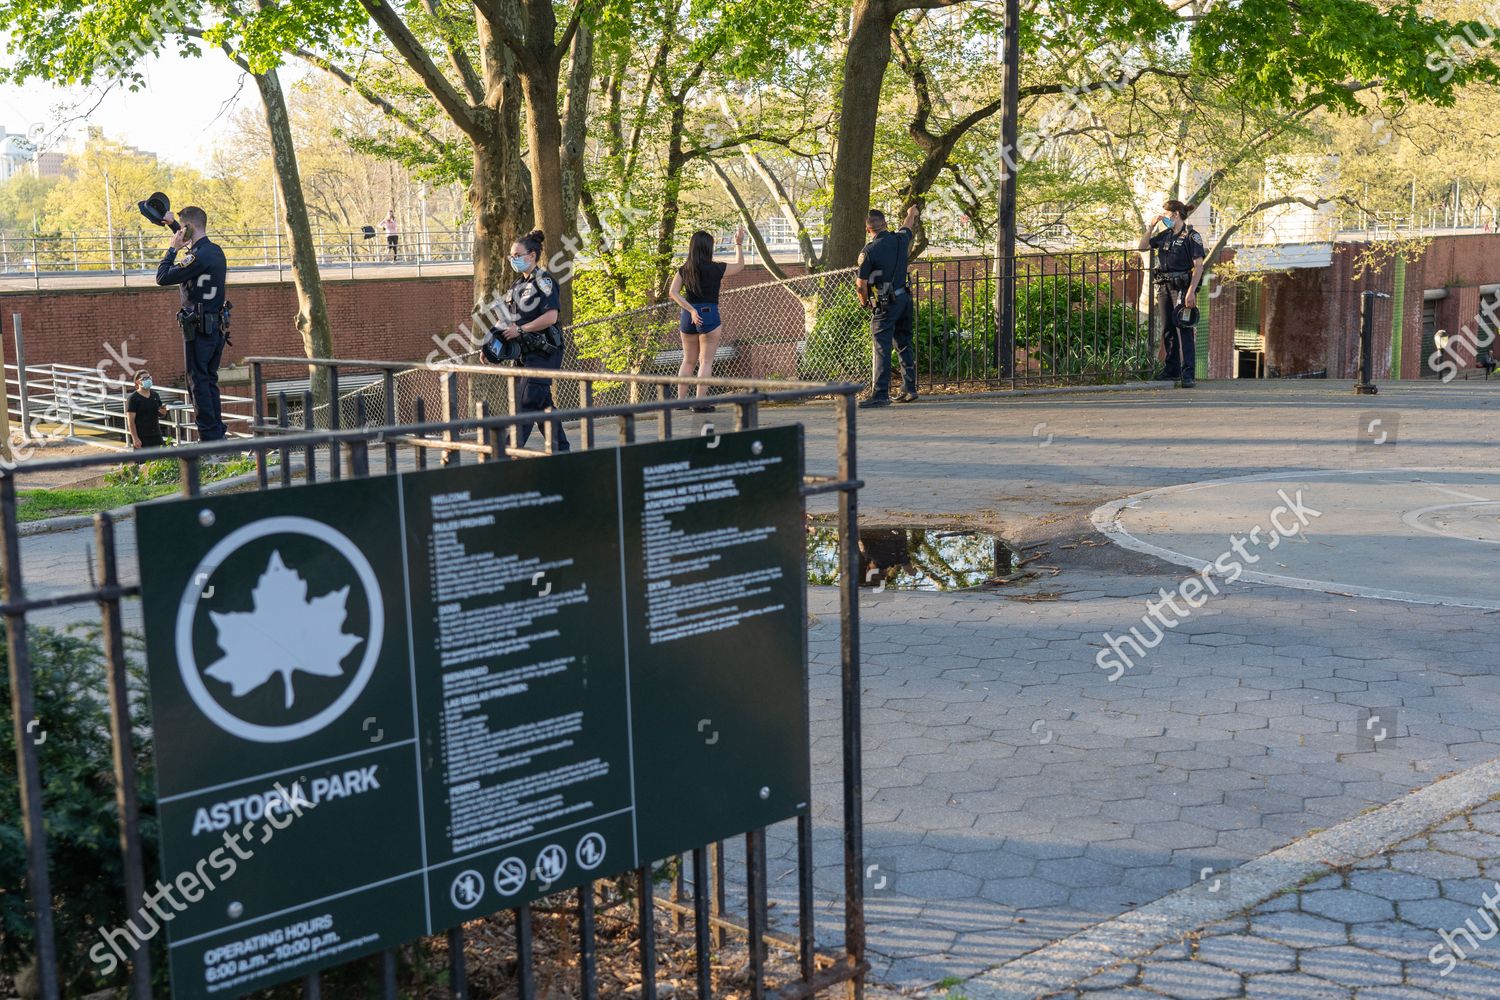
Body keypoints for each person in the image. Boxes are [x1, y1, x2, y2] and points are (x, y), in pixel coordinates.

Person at [155, 205, 230, 441]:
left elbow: (162, 277)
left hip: (198, 329)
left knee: (197, 382)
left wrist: (172, 249)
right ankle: (217, 433)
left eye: (182, 228)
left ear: (188, 228)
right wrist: (173, 225)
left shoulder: (196, 257)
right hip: (216, 328)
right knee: (209, 380)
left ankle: (209, 439)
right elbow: (193, 246)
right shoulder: (215, 251)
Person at [495, 229, 570, 451]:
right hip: (523, 354)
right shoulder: (516, 286)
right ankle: (562, 452)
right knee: (542, 405)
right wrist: (490, 345)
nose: (513, 259)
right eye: (511, 256)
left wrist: (521, 329)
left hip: (544, 353)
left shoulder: (544, 281)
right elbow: (505, 319)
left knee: (525, 403)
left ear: (532, 255)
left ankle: (507, 455)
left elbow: (551, 317)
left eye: (517, 255)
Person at [667, 227, 746, 412]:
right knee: (706, 361)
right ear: (708, 248)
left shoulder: (684, 270)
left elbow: (673, 293)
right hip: (708, 315)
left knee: (688, 361)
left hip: (688, 317)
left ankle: (680, 402)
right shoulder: (716, 268)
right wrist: (738, 243)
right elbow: (739, 265)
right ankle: (699, 403)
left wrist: (691, 310)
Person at [856, 205, 921, 408]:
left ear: (868, 229)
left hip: (886, 304)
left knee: (882, 347)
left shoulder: (869, 251)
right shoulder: (900, 239)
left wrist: (865, 303)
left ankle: (880, 394)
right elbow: (907, 225)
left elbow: (861, 286)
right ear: (885, 224)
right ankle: (909, 389)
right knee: (904, 343)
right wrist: (911, 213)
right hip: (905, 300)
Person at [1140, 199, 1207, 389]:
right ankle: (1172, 370)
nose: (1165, 218)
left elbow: (1199, 266)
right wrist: (1151, 227)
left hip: (1182, 288)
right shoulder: (1165, 235)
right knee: (1167, 328)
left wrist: (1191, 292)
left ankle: (1188, 374)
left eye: (1167, 214)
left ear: (1176, 214)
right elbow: (1142, 247)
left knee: (1184, 327)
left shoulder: (1191, 236)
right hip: (1164, 286)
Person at [126, 371, 168, 449]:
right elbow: (131, 421)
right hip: (142, 436)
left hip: (156, 434)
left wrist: (163, 412)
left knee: (161, 456)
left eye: (149, 378)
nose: (148, 380)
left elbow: (160, 414)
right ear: (137, 382)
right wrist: (135, 438)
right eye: (144, 378)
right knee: (144, 457)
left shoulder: (155, 395)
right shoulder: (133, 398)